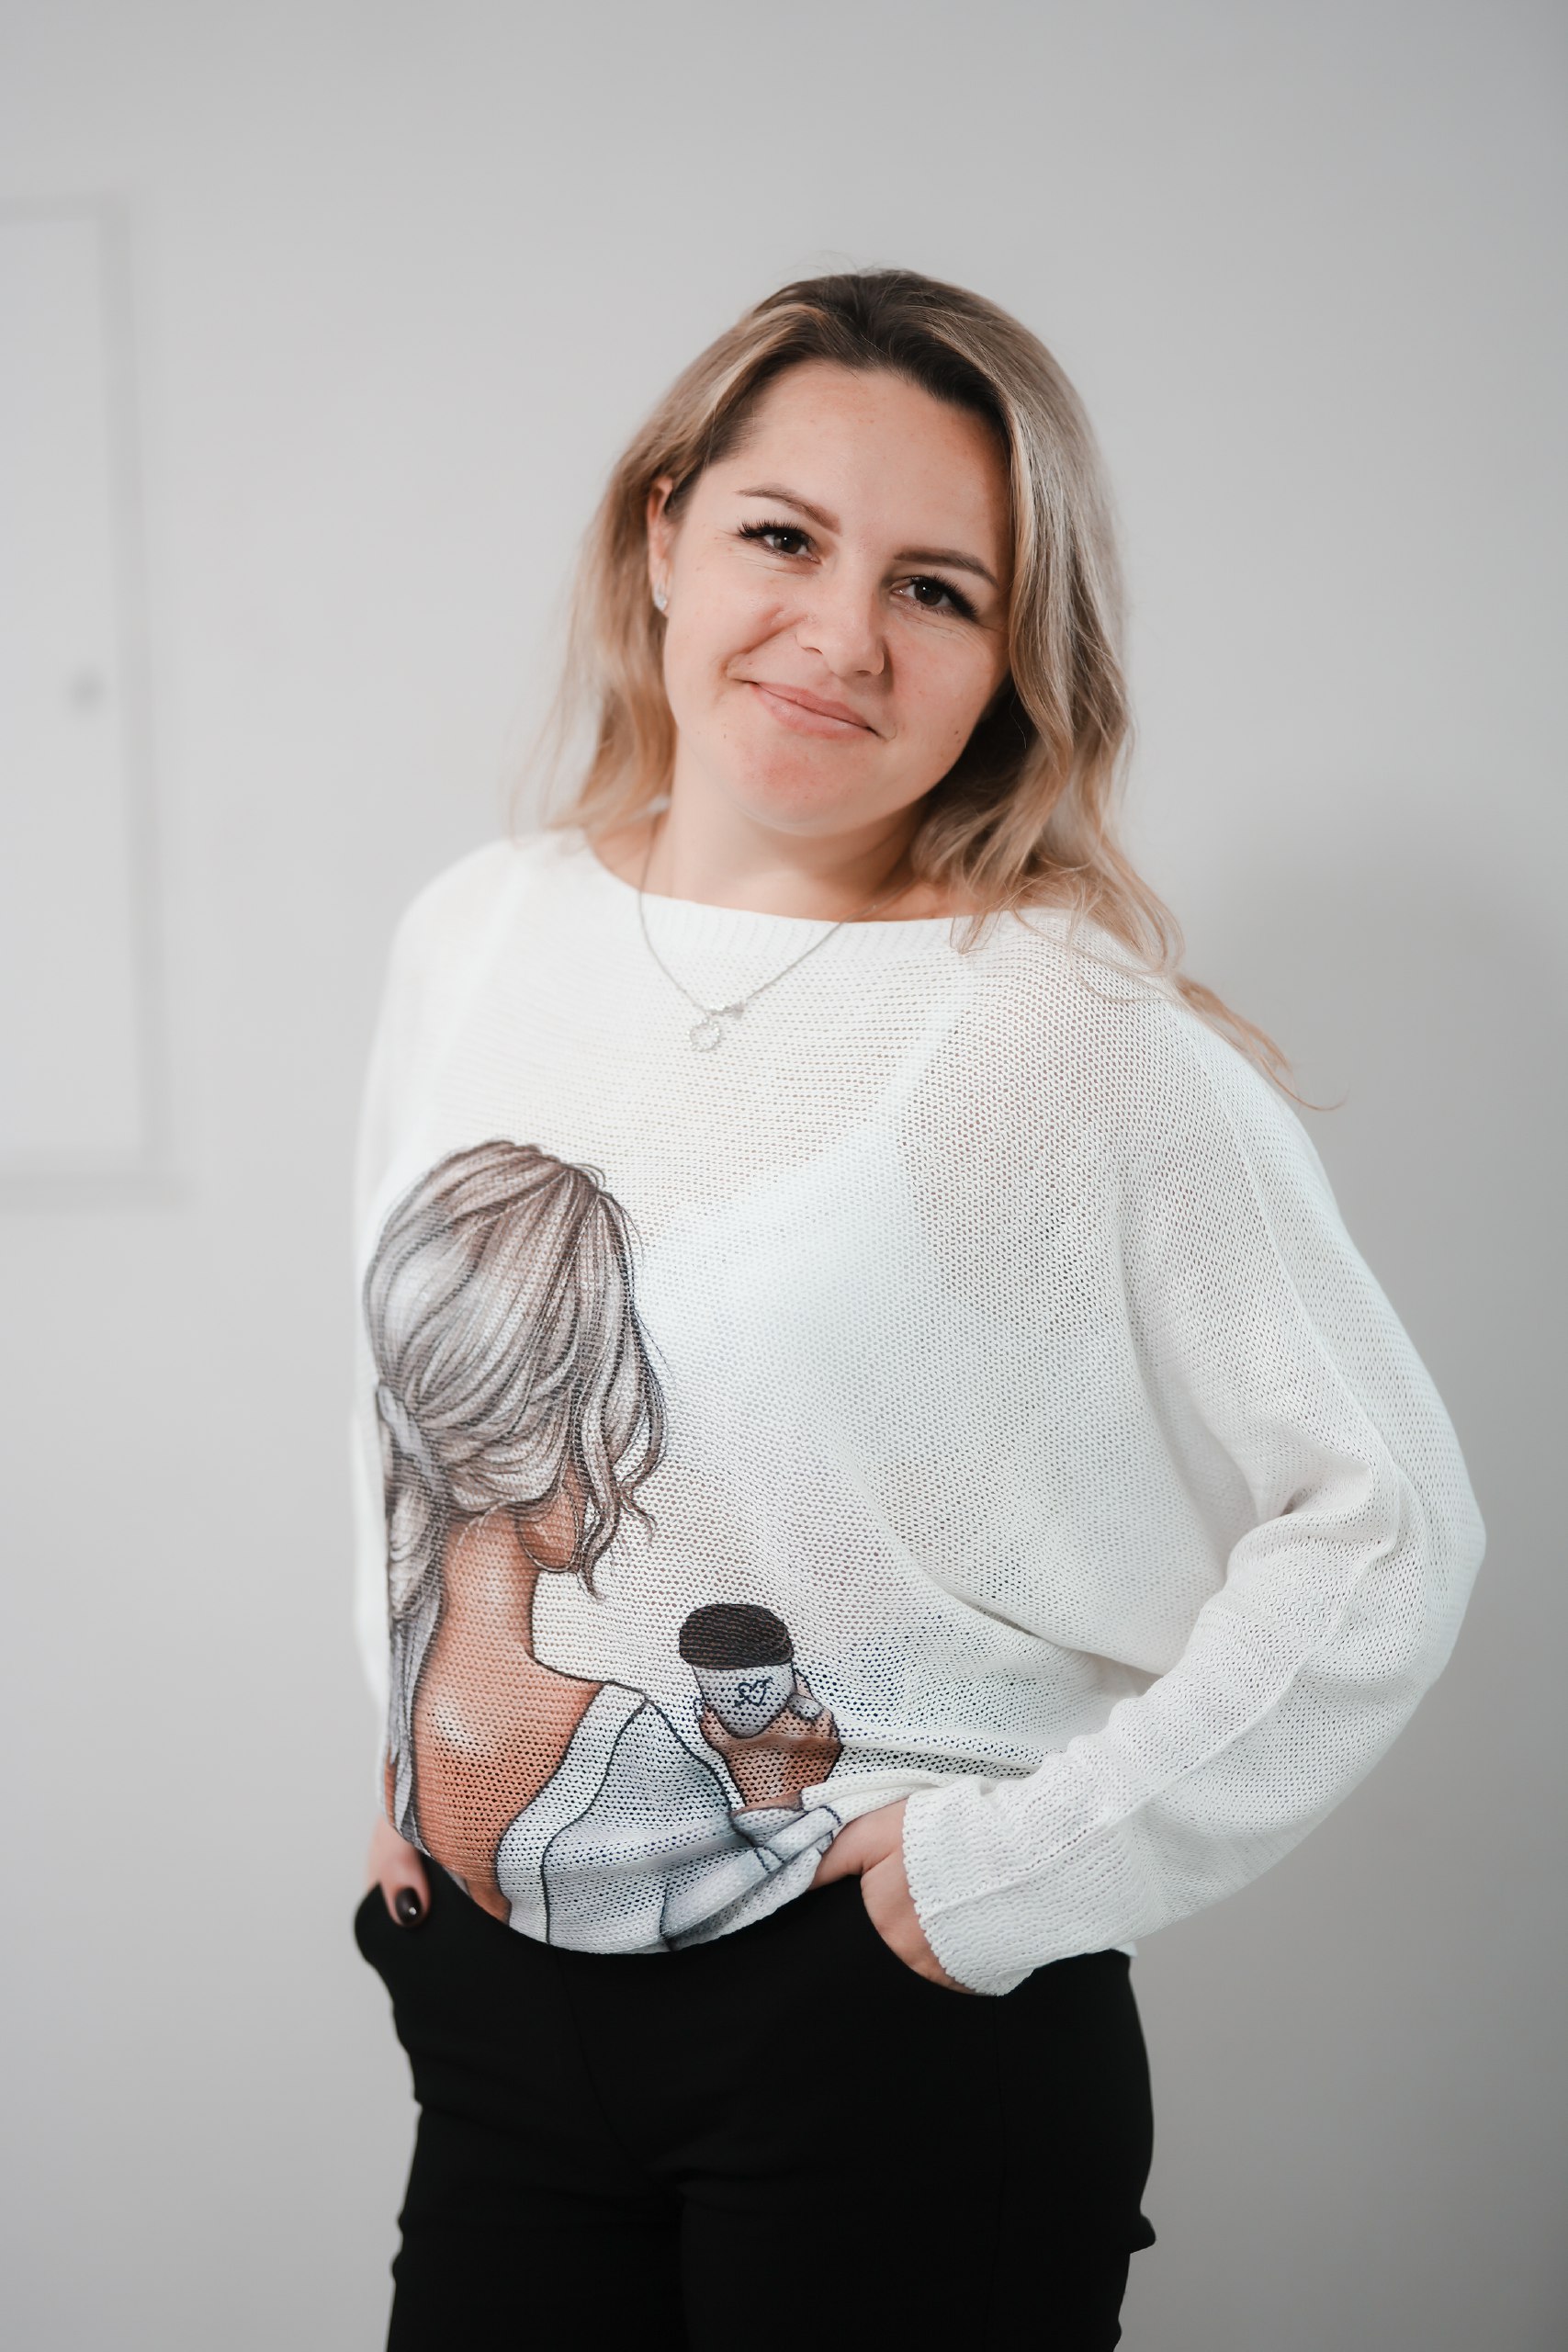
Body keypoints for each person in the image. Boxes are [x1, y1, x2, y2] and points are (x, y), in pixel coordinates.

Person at [346, 266, 1485, 2350]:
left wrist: (1012, 1879)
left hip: (874, 2033)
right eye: (783, 536)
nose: (841, 634)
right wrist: (423, 1736)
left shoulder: (1063, 1028)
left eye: (936, 589)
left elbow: (1389, 1523)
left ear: (1011, 661)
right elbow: (405, 1418)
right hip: (502, 2027)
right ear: (664, 533)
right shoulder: (479, 931)